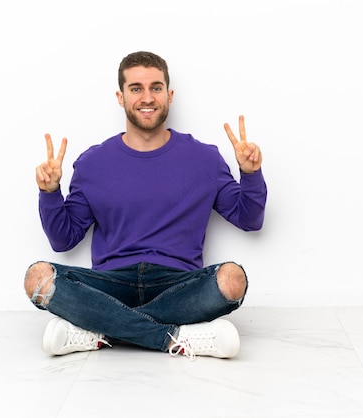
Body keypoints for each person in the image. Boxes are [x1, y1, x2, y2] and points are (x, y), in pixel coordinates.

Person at [24, 51, 267, 360]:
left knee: (232, 280)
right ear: (121, 96)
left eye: (156, 87)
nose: (147, 97)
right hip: (110, 284)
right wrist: (50, 192)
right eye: (136, 88)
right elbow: (63, 240)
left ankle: (99, 328)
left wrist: (250, 173)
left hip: (178, 285)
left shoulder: (204, 158)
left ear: (169, 95)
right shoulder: (92, 163)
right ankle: (175, 337)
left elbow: (250, 219)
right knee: (37, 277)